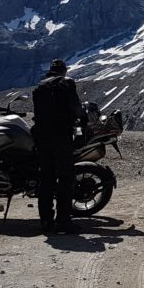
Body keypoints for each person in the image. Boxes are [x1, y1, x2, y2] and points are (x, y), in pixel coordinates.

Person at [32, 59, 83, 234]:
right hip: (61, 136)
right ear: (64, 71)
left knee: (46, 179)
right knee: (65, 178)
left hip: (41, 137)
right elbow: (76, 109)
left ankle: (46, 221)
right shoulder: (66, 83)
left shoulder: (40, 87)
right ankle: (63, 221)